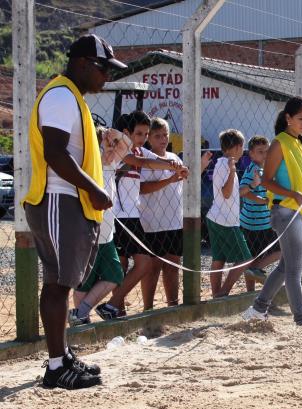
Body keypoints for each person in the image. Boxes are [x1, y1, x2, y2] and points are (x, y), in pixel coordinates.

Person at [22, 34, 126, 389]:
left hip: (67, 200)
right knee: (57, 284)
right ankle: (55, 368)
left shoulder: (71, 97)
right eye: (103, 69)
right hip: (58, 198)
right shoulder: (62, 96)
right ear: (82, 63)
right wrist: (93, 188)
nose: (106, 77)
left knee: (61, 283)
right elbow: (55, 152)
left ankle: (61, 356)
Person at [242, 97, 302, 327]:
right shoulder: (279, 143)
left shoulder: (300, 144)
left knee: (286, 265)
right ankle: (301, 319)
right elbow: (267, 182)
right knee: (295, 267)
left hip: (300, 209)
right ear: (288, 118)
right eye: (300, 119)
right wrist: (292, 194)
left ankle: (258, 308)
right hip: (284, 211)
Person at [95, 111, 186, 319]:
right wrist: (170, 167)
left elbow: (153, 160)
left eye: (146, 134)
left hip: (131, 216)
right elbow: (145, 163)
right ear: (126, 133)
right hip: (120, 216)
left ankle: (113, 307)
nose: (143, 139)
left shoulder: (137, 152)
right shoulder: (119, 150)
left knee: (137, 264)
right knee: (131, 265)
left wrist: (176, 166)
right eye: (140, 134)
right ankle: (113, 307)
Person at [69, 127, 125, 326]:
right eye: (104, 146)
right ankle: (81, 319)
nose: (110, 150)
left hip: (107, 233)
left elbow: (126, 145)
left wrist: (114, 135)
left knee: (115, 274)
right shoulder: (88, 166)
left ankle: (80, 313)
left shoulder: (111, 164)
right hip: (90, 232)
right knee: (85, 280)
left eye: (111, 146)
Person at [139, 117, 188, 309]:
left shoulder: (174, 158)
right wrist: (169, 180)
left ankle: (173, 306)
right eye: (157, 136)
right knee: (153, 268)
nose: (162, 139)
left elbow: (179, 184)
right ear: (149, 138)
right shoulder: (146, 160)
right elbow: (142, 188)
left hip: (174, 222)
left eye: (165, 135)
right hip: (152, 223)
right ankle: (148, 308)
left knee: (173, 265)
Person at [206, 129, 254, 298]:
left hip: (217, 217)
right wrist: (232, 171)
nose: (243, 150)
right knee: (245, 259)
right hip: (226, 221)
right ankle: (222, 293)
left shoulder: (223, 163)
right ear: (237, 147)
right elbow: (226, 193)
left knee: (218, 259)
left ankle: (216, 295)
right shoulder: (226, 165)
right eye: (242, 146)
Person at [239, 135, 282, 291]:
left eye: (267, 151)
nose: (264, 154)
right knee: (253, 258)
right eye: (260, 151)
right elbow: (242, 192)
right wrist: (261, 200)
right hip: (252, 222)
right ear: (251, 154)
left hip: (264, 222)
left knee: (278, 251)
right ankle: (251, 287)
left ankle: (255, 269)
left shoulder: (266, 168)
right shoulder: (253, 169)